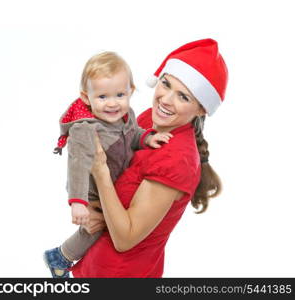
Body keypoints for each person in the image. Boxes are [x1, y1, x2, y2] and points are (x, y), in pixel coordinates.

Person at [70, 38, 228, 277]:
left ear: (201, 109)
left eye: (183, 97)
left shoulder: (177, 160)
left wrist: (99, 172)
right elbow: (116, 184)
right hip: (93, 265)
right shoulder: (146, 121)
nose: (165, 99)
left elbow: (125, 238)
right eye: (166, 84)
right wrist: (91, 208)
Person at [43, 51, 172, 278]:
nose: (112, 104)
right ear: (86, 97)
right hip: (91, 190)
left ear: (131, 91)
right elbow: (77, 166)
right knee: (96, 226)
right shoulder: (85, 129)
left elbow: (133, 135)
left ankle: (64, 256)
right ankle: (60, 257)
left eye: (120, 95)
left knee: (107, 224)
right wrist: (78, 202)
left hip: (114, 183)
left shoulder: (127, 115)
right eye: (102, 97)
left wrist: (147, 138)